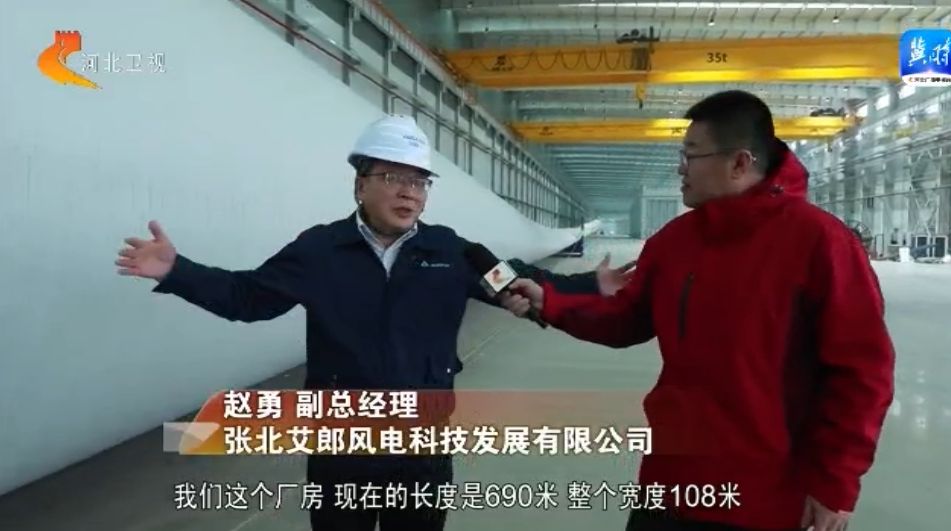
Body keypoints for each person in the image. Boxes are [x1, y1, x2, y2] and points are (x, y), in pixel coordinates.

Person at [114, 114, 621, 530]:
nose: (409, 193)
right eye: (393, 178)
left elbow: (517, 281)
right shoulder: (319, 251)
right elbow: (248, 298)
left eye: (419, 181)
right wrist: (177, 271)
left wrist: (584, 286)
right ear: (360, 185)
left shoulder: (451, 251)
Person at [500, 91, 896, 531]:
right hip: (671, 482)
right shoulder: (675, 242)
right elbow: (627, 318)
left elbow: (862, 373)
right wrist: (552, 303)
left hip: (763, 499)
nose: (680, 168)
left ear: (739, 163)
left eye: (691, 155)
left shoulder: (820, 243)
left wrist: (835, 482)